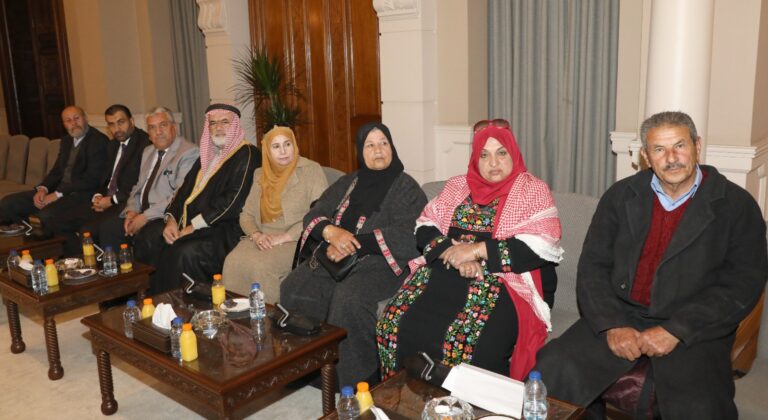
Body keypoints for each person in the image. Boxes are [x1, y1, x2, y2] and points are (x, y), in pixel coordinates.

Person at [536, 111, 768, 419]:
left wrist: (676, 329)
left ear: (697, 146)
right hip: (622, 312)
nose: (671, 158)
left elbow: (742, 284)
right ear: (646, 156)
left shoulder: (736, 206)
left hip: (694, 325)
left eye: (680, 146)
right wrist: (612, 324)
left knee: (700, 407)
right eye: (659, 149)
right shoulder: (621, 196)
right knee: (552, 370)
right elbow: (593, 267)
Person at [376, 119, 563, 381]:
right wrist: (453, 254)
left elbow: (541, 245)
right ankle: (403, 396)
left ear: (513, 153)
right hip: (446, 267)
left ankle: (463, 402)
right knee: (393, 322)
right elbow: (425, 225)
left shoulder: (532, 190)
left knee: (466, 340)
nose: (493, 163)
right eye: (484, 155)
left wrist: (475, 251)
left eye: (501, 153)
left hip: (505, 280)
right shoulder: (457, 185)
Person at [280, 122, 427, 388]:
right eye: (370, 145)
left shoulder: (407, 188)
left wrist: (351, 243)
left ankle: (354, 380)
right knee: (293, 286)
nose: (378, 150)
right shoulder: (349, 182)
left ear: (392, 147)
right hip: (334, 257)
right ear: (360, 151)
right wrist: (332, 233)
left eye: (383, 143)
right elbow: (315, 213)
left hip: (382, 264)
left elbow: (411, 234)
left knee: (348, 300)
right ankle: (309, 368)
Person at [134, 103, 260, 294]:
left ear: (235, 125)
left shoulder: (248, 154)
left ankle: (180, 304)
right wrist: (171, 220)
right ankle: (151, 298)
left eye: (224, 122)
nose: (218, 127)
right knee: (150, 236)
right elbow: (183, 191)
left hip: (224, 228)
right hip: (190, 222)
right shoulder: (207, 155)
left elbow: (231, 203)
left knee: (183, 252)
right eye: (213, 123)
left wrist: (193, 227)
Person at [222, 126, 327, 302]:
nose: (283, 151)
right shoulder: (260, 174)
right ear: (267, 151)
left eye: (287, 144)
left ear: (294, 145)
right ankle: (237, 315)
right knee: (231, 262)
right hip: (263, 237)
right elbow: (246, 215)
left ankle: (270, 315)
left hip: (297, 238)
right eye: (276, 146)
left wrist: (284, 237)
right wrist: (256, 235)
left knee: (261, 266)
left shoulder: (311, 170)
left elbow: (320, 212)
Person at [96, 106, 198, 250]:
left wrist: (145, 217)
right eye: (152, 128)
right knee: (108, 229)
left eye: (163, 125)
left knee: (146, 237)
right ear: (148, 133)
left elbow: (179, 195)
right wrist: (131, 212)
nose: (158, 132)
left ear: (174, 127)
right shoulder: (148, 151)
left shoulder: (188, 152)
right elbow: (138, 187)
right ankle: (120, 265)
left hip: (165, 215)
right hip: (141, 211)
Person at [51, 104, 151, 251]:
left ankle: (101, 261)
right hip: (106, 199)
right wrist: (98, 196)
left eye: (121, 122)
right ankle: (78, 261)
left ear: (132, 121)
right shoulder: (113, 145)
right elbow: (104, 178)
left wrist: (111, 200)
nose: (117, 129)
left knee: (87, 231)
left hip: (125, 202)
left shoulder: (145, 144)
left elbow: (139, 184)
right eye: (111, 124)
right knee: (60, 221)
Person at [0, 105, 109, 228]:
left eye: (77, 118)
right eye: (68, 120)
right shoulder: (67, 140)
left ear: (85, 118)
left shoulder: (99, 141)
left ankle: (37, 236)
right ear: (64, 124)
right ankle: (21, 234)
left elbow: (91, 180)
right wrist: (43, 189)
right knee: (8, 203)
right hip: (58, 190)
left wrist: (57, 194)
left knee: (44, 216)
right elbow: (57, 171)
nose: (73, 123)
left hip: (80, 194)